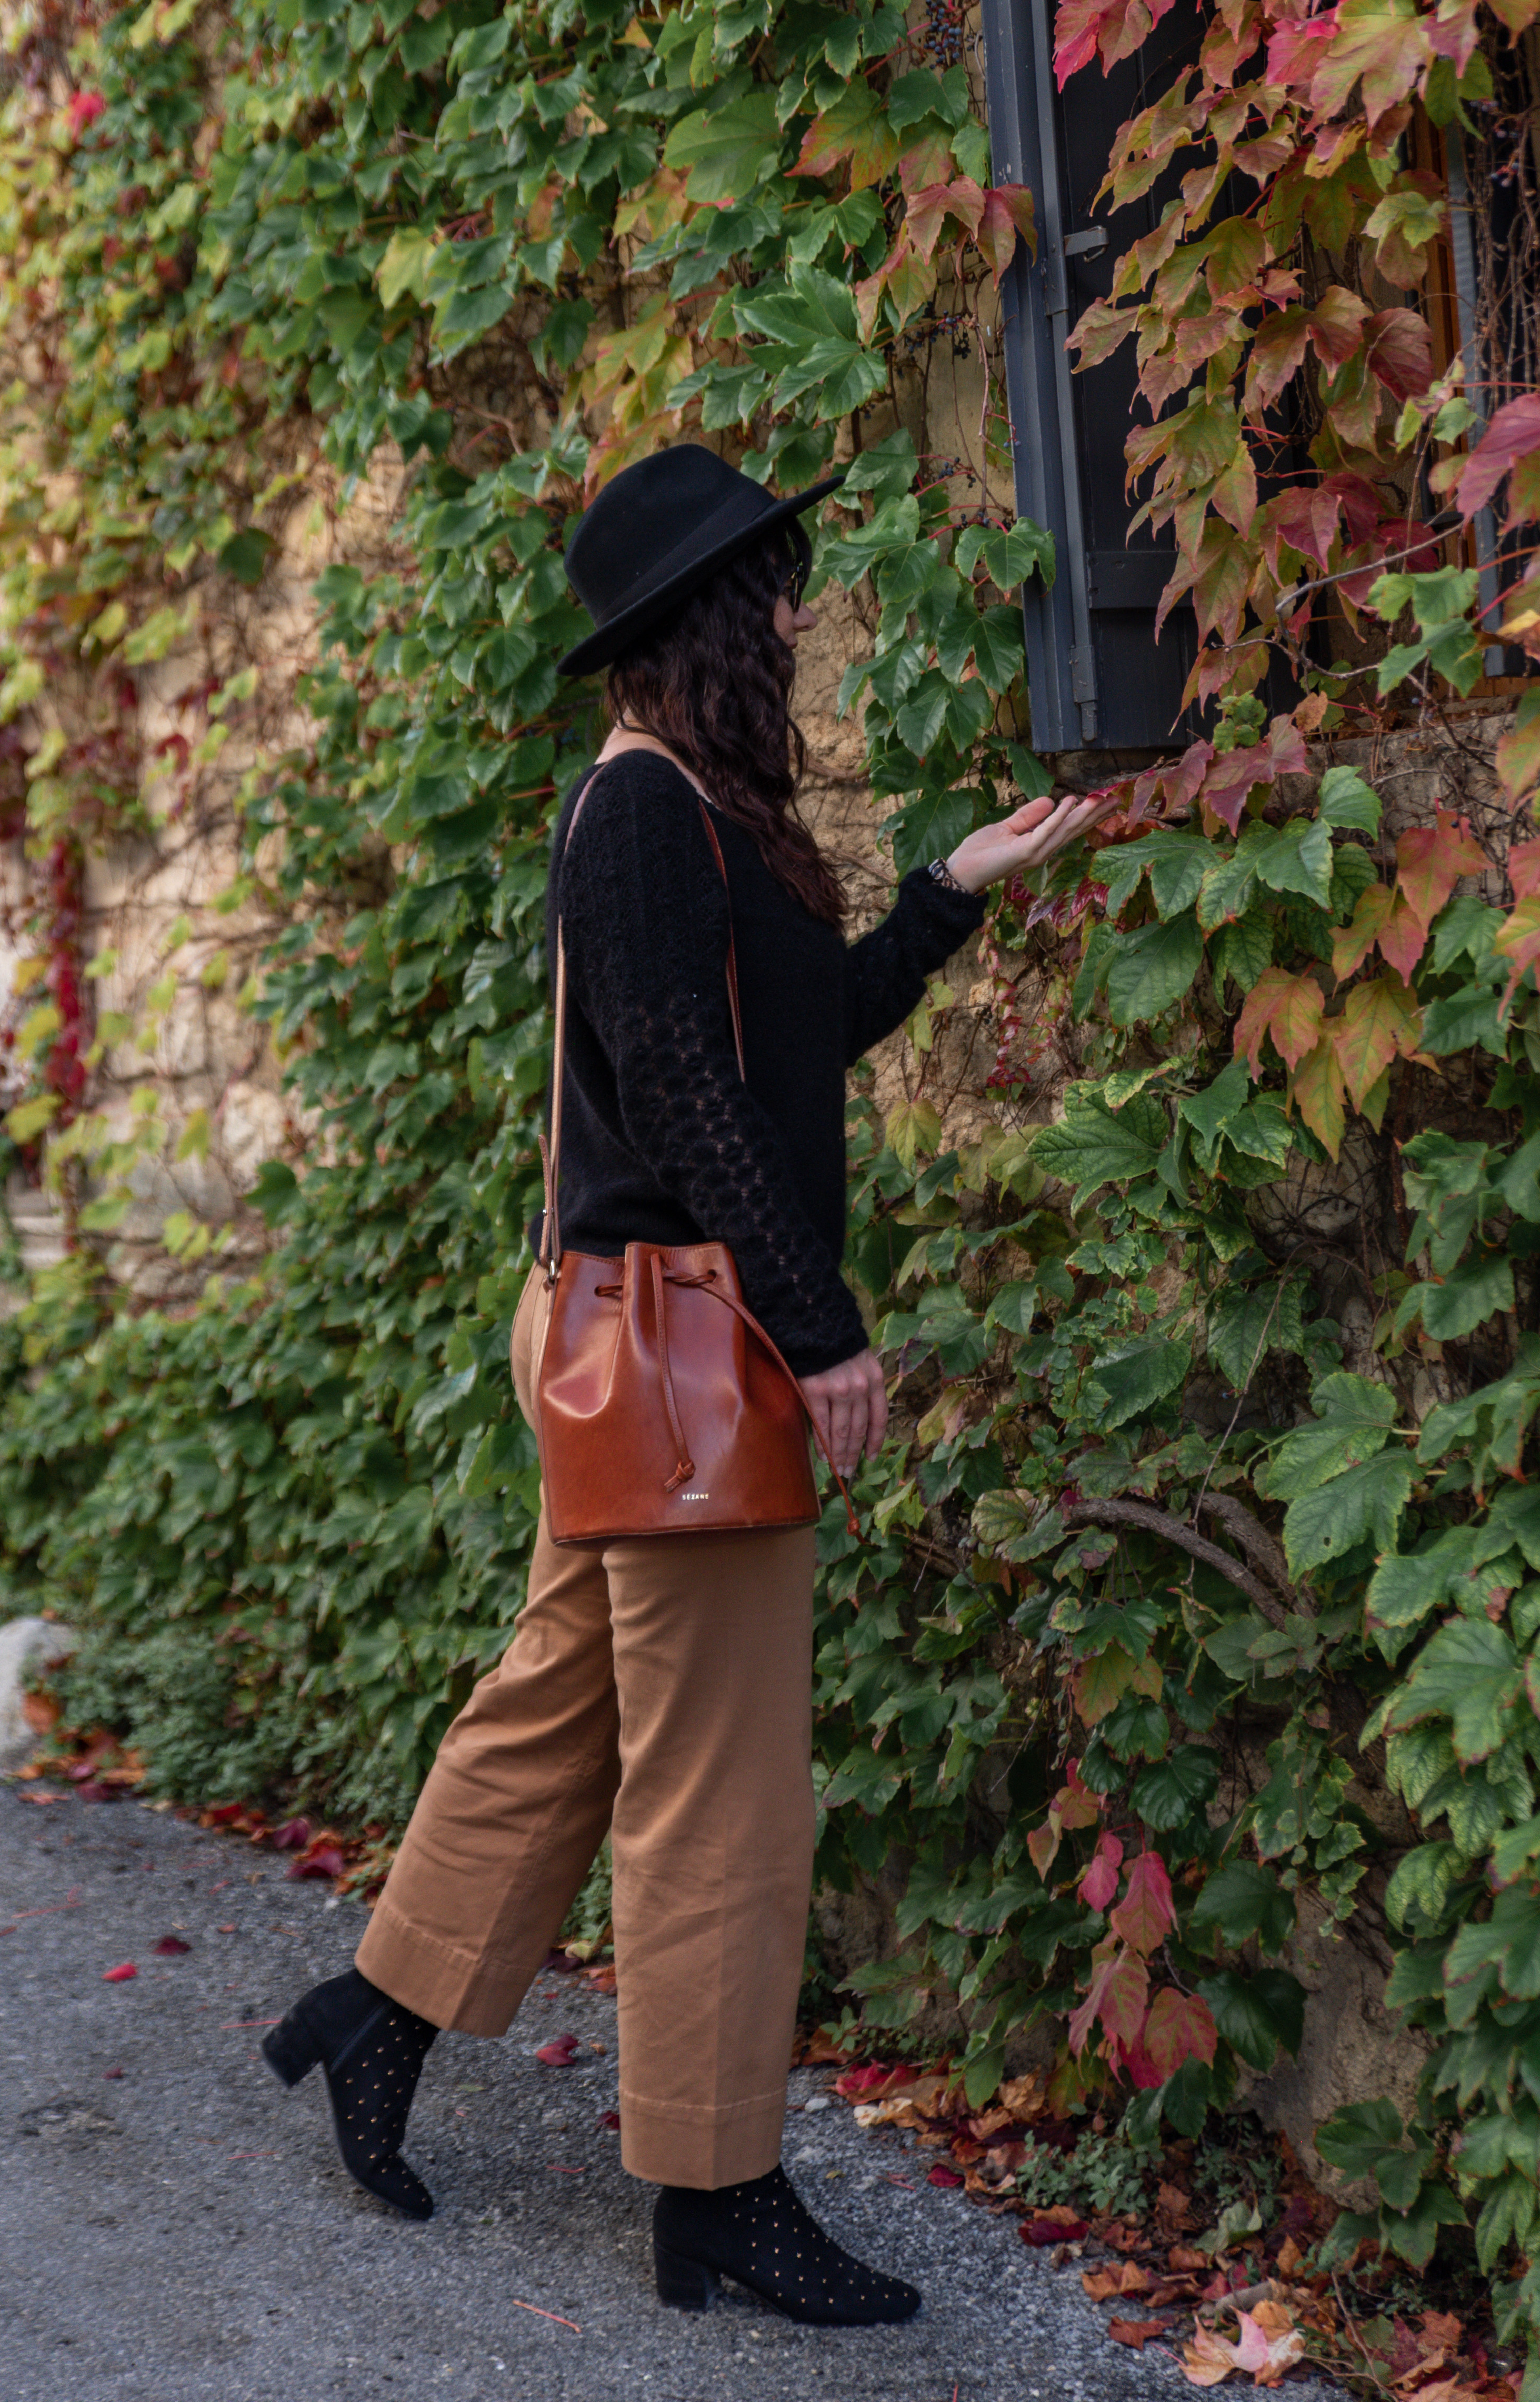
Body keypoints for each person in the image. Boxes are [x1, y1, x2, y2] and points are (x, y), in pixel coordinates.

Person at [264, 444, 1098, 2327]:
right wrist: (824, 1326)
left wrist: (954, 894)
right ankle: (716, 2190)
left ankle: (373, 2013)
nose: (803, 610)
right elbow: (683, 1095)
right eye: (785, 583)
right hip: (690, 1353)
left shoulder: (708, 813)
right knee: (724, 1794)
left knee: (558, 1710)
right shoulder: (642, 816)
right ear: (724, 618)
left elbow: (800, 1048)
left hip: (646, 1345)